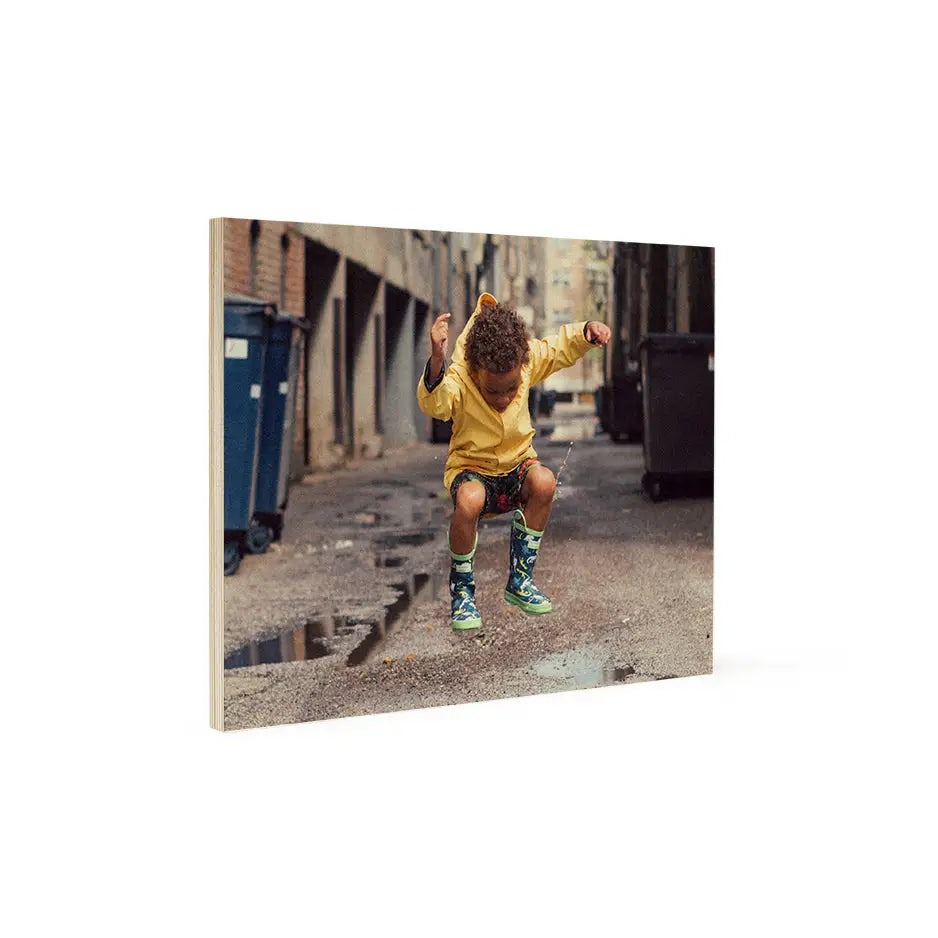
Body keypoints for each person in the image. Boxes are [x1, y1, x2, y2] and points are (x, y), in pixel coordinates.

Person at [416, 292, 611, 630]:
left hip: (517, 466)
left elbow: (556, 349)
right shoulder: (461, 378)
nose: (504, 398)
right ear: (476, 371)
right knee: (470, 500)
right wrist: (436, 360)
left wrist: (586, 333)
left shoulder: (525, 359)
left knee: (545, 481)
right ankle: (462, 593)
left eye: (512, 389)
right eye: (493, 392)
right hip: (474, 471)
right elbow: (436, 404)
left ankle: (520, 580)